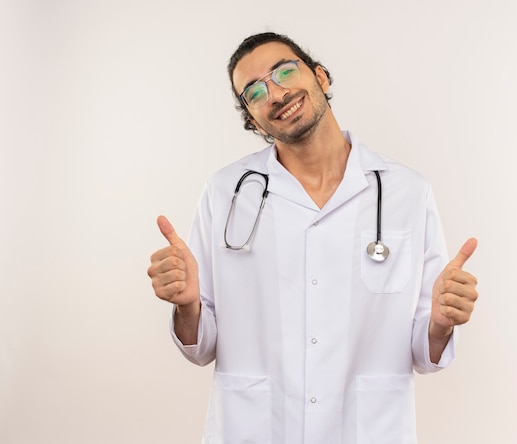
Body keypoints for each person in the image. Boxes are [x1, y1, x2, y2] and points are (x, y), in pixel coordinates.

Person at [147, 32, 479, 444]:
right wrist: (188, 305)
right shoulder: (225, 192)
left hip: (368, 430)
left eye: (285, 71)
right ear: (253, 119)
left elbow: (424, 352)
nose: (276, 93)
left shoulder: (406, 191)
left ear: (320, 76)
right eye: (254, 92)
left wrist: (441, 325)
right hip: (254, 430)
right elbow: (201, 347)